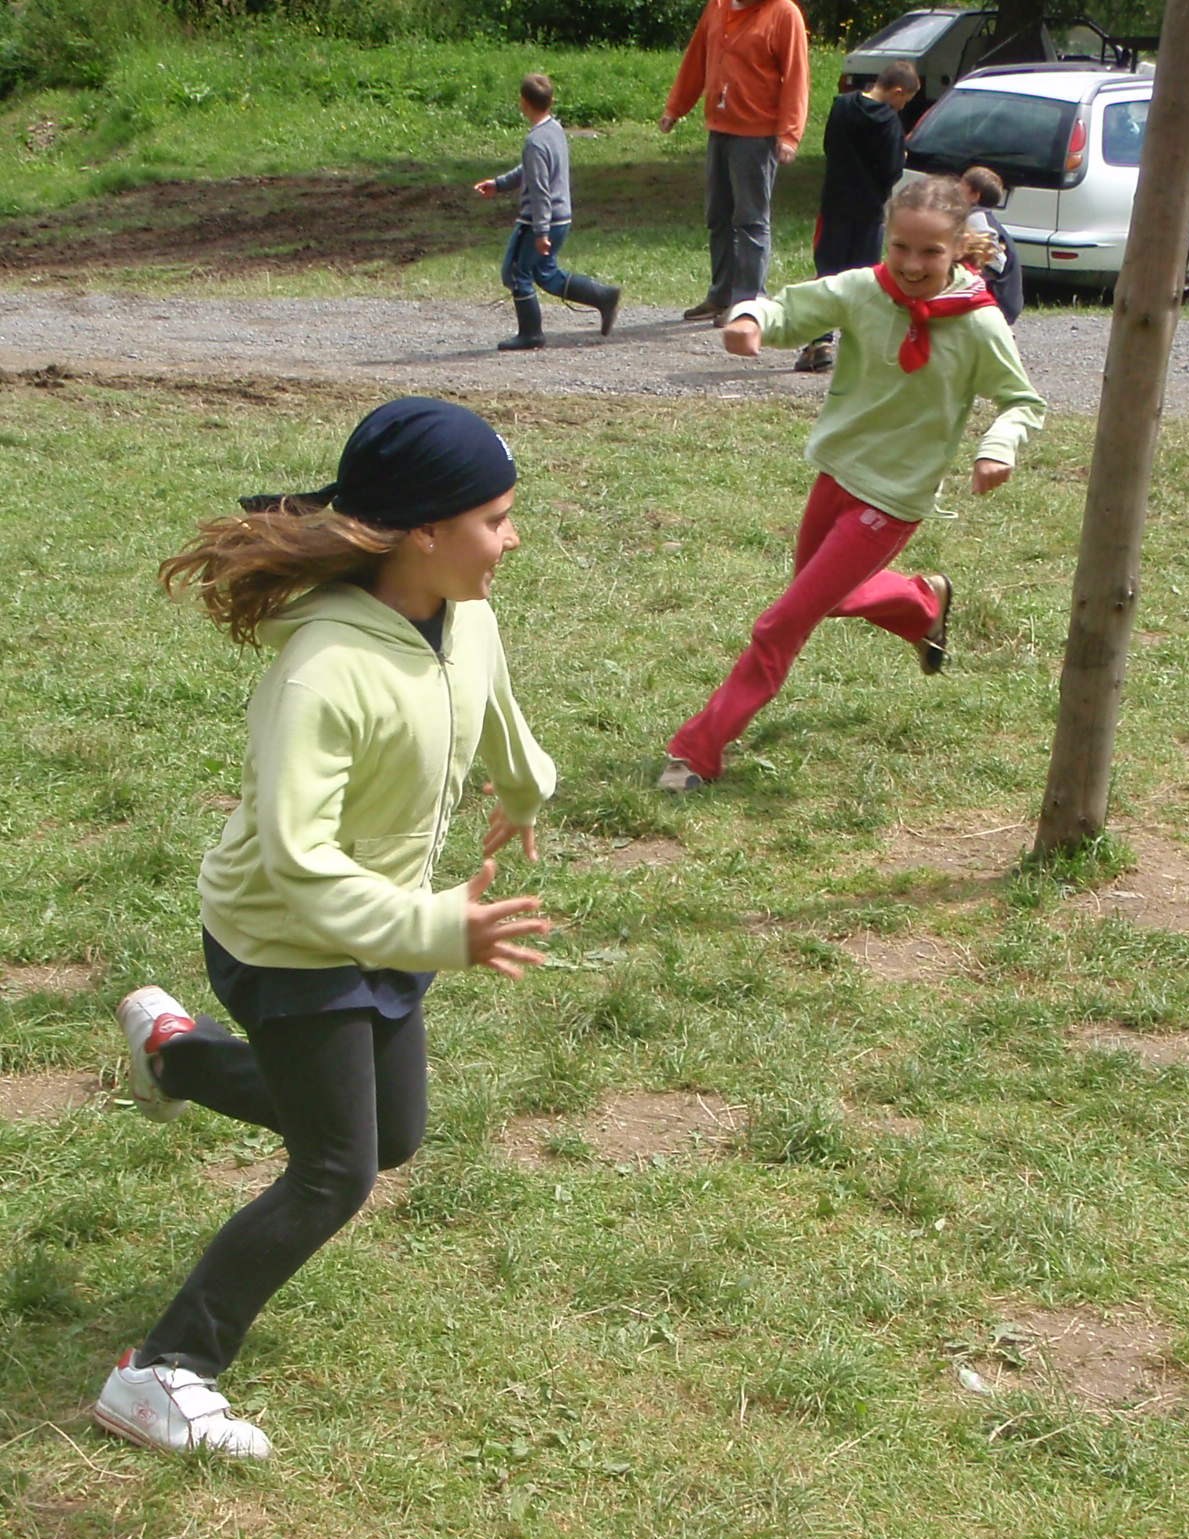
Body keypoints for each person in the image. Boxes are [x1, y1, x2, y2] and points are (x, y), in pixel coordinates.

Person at [93, 397, 556, 1457]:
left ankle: (176, 1059)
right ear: (423, 531)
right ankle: (163, 1370)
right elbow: (299, 868)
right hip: (288, 941)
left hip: (380, 925)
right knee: (335, 1170)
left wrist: (525, 787)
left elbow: (491, 705)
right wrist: (438, 928)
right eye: (494, 519)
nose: (512, 538)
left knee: (391, 1136)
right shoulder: (322, 671)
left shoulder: (464, 615)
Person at [657, 175, 1046, 792]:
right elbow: (789, 309)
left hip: (892, 499)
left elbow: (1022, 400)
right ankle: (922, 604)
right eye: (900, 247)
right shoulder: (866, 290)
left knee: (782, 623)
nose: (912, 265)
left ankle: (697, 750)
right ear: (886, 240)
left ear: (956, 250)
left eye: (930, 252)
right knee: (823, 597)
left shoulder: (979, 324)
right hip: (837, 474)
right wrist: (750, 318)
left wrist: (997, 449)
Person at [659, 0, 809, 323]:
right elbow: (696, 59)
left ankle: (747, 302)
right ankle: (721, 295)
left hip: (757, 135)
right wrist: (675, 107)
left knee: (751, 220)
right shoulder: (717, 6)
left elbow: (797, 76)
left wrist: (789, 134)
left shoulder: (783, 13)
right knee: (718, 216)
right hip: (720, 128)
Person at [475, 73, 621, 351]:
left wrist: (540, 231)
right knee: (545, 273)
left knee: (517, 273)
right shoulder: (554, 129)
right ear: (550, 101)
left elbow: (540, 190)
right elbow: (531, 171)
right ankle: (603, 296)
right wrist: (500, 184)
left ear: (523, 102)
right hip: (560, 217)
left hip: (540, 220)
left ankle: (530, 334)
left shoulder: (535, 141)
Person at [794, 59, 920, 374]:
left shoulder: (842, 107)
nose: (903, 106)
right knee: (864, 279)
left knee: (828, 274)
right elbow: (891, 170)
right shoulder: (890, 123)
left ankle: (819, 342)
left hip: (835, 205)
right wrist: (900, 156)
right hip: (869, 212)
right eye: (905, 100)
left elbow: (829, 146)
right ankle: (861, 346)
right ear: (897, 91)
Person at [960, 164, 1024, 326]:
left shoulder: (977, 220)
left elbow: (996, 262)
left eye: (961, 186)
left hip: (999, 301)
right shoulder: (979, 218)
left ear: (974, 195)